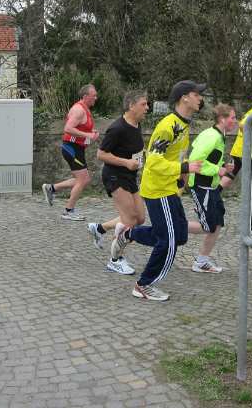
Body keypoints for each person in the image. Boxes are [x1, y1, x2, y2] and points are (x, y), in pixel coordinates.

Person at [111, 80, 205, 301]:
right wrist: (184, 168)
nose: (200, 98)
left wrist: (181, 179)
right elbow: (153, 162)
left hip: (169, 188)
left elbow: (177, 155)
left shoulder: (183, 124)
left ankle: (128, 234)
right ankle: (143, 285)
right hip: (157, 189)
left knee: (179, 235)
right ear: (184, 98)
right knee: (168, 241)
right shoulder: (168, 126)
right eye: (197, 94)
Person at [87, 90, 149, 275]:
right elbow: (101, 154)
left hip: (130, 177)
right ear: (131, 105)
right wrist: (126, 162)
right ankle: (115, 260)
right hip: (114, 175)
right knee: (129, 221)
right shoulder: (117, 128)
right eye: (143, 104)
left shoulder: (136, 124)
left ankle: (99, 228)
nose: (147, 108)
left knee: (139, 218)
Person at [186, 103, 237, 274]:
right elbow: (194, 160)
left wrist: (223, 167)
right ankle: (172, 226)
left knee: (217, 223)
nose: (235, 121)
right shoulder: (212, 136)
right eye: (232, 118)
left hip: (211, 186)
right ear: (222, 119)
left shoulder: (220, 136)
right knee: (209, 225)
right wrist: (218, 170)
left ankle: (202, 261)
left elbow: (210, 159)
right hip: (201, 185)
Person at [42, 84, 99, 221]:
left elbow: (79, 128)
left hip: (76, 149)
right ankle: (68, 211)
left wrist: (91, 133)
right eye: (94, 95)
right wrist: (88, 135)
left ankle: (52, 188)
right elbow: (68, 128)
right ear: (85, 96)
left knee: (83, 179)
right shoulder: (79, 110)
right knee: (82, 180)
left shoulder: (84, 108)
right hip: (72, 149)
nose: (96, 98)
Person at [220, 92, 252, 190]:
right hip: (245, 153)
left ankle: (216, 191)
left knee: (230, 175)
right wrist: (250, 136)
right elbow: (242, 125)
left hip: (238, 151)